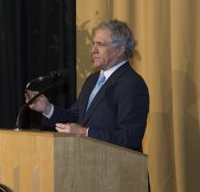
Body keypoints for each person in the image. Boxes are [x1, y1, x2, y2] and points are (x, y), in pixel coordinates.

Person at [25, 19, 149, 151]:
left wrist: (85, 132)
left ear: (120, 50)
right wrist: (47, 108)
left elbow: (130, 137)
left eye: (100, 44)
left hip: (118, 168)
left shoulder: (132, 84)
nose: (93, 50)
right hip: (88, 164)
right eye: (93, 43)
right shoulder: (93, 79)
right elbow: (75, 117)